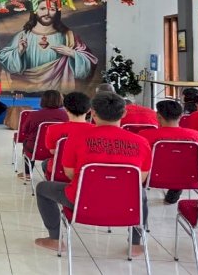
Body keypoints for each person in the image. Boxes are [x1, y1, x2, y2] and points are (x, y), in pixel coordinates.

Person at [34, 92, 152, 255]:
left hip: (82, 199)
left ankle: (55, 239)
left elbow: (70, 174)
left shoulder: (76, 138)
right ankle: (136, 243)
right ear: (124, 113)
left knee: (42, 188)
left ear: (93, 112)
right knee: (141, 193)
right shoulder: (141, 142)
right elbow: (140, 179)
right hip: (125, 203)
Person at [0, 0, 98, 92]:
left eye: (52, 9)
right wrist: (19, 52)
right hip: (26, 88)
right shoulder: (22, 35)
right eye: (42, 9)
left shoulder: (68, 36)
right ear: (35, 11)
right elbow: (5, 61)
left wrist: (72, 53)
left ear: (57, 12)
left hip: (58, 90)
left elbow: (90, 62)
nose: (47, 13)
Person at [139, 100, 198, 204]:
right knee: (179, 165)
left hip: (153, 178)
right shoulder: (196, 136)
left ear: (158, 116)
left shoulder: (145, 135)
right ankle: (176, 187)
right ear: (181, 116)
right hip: (186, 177)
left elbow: (141, 161)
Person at [19, 90, 68, 181]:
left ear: (42, 100)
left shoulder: (34, 115)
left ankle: (27, 173)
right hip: (58, 149)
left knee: (27, 143)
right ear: (60, 100)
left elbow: (24, 130)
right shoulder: (66, 115)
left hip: (35, 149)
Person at [41, 92, 92, 178]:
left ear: (65, 109)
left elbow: (52, 151)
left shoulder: (53, 129)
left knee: (45, 163)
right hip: (87, 174)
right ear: (89, 110)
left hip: (58, 170)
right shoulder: (97, 130)